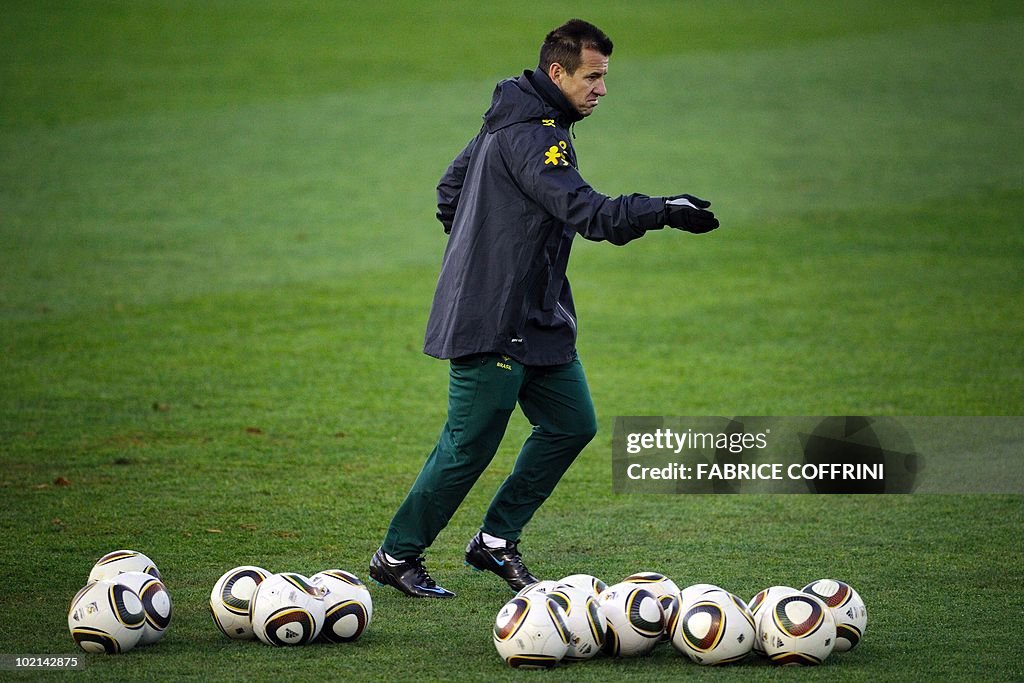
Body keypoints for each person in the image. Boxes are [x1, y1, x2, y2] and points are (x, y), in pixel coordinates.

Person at [370, 18, 719, 598]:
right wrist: (662, 209)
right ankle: (396, 554)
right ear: (557, 73)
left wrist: (491, 248)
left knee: (571, 423)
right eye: (593, 76)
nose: (602, 89)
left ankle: (495, 541)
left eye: (604, 77)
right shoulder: (535, 135)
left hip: (538, 317)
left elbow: (449, 191)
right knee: (469, 445)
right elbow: (588, 212)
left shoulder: (511, 121)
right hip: (494, 320)